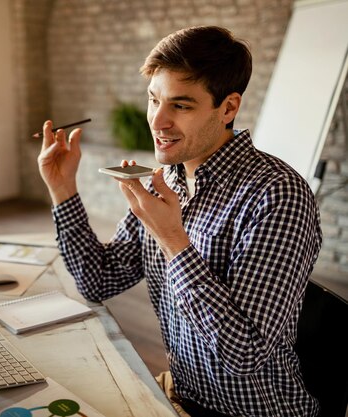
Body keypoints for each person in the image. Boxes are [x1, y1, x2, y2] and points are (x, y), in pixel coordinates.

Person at [37, 26, 321, 417]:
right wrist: (63, 188)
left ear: (228, 108)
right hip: (182, 396)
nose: (158, 121)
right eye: (154, 100)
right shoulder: (166, 179)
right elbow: (98, 279)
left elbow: (243, 354)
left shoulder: (277, 194)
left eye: (181, 106)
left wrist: (172, 238)